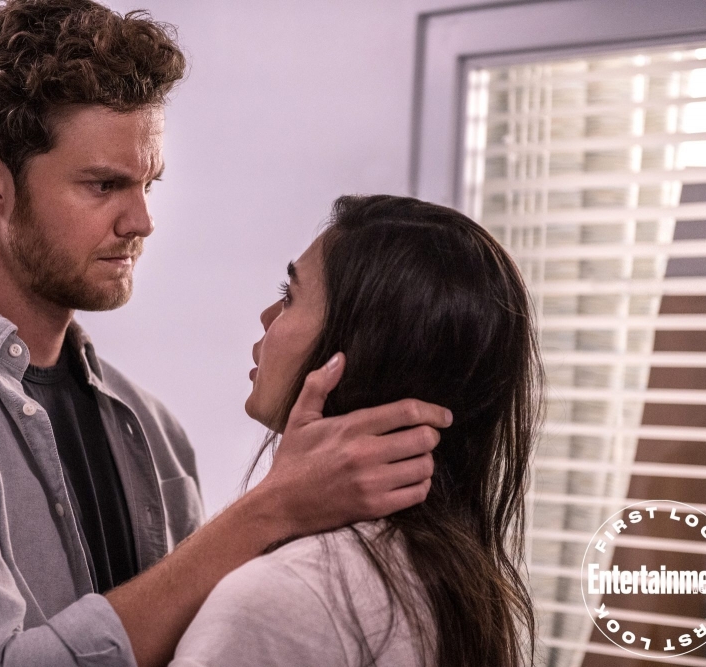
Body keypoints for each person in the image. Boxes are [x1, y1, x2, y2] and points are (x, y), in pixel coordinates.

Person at [0, 3, 452, 667]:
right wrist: (270, 508)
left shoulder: (151, 427)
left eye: (149, 183)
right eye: (103, 185)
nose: (142, 221)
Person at [171, 195, 543, 667]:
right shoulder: (456, 586)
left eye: (289, 295)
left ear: (360, 353)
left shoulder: (279, 601)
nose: (267, 315)